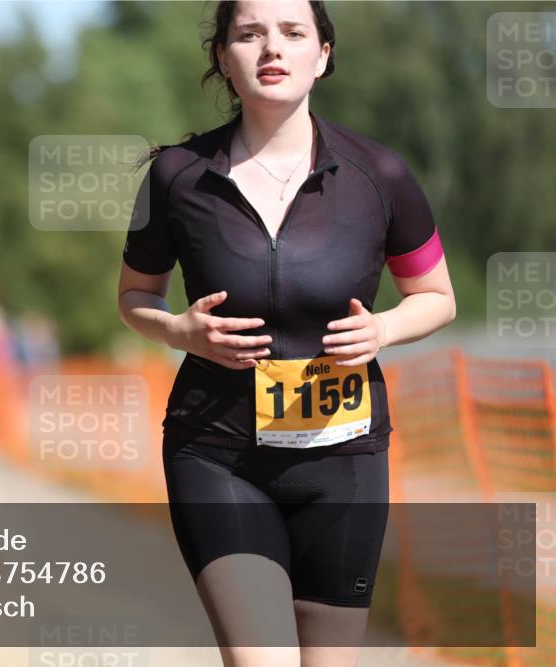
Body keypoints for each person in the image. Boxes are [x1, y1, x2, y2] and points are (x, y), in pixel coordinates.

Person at [117, 2, 456, 666]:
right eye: (249, 34)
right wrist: (180, 330)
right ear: (223, 57)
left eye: (293, 32)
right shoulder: (176, 177)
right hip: (217, 455)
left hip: (343, 460)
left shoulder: (379, 175)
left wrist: (383, 328)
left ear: (323, 54)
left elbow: (437, 298)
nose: (272, 47)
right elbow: (134, 298)